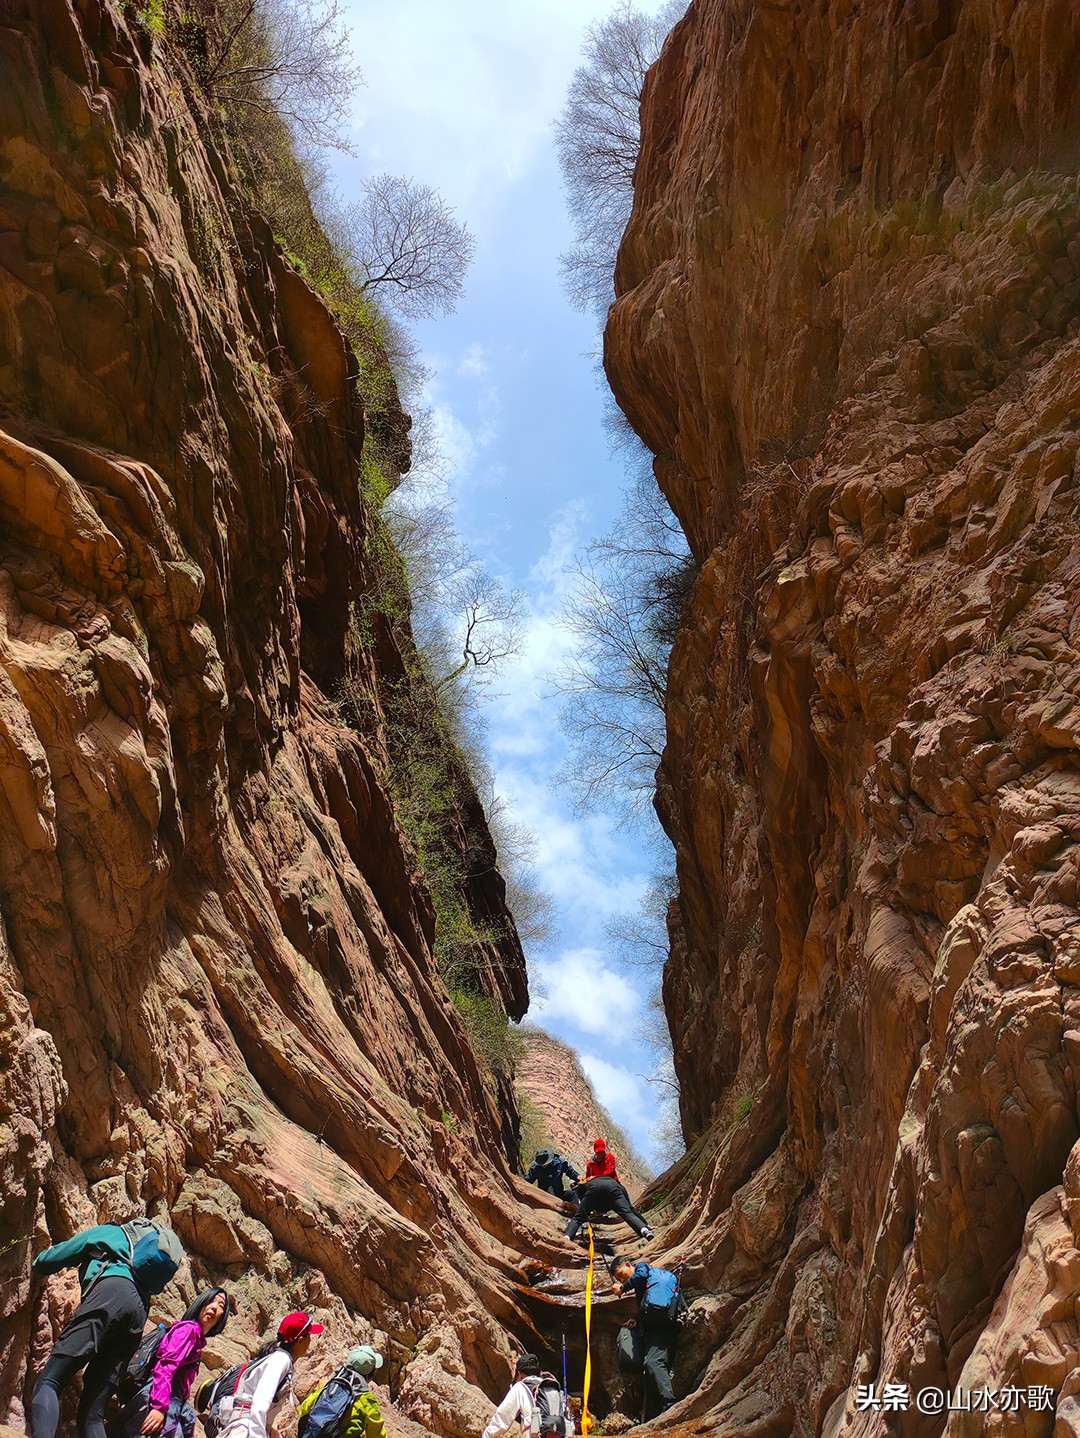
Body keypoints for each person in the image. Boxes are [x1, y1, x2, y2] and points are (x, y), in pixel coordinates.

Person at [29, 1222, 183, 1438]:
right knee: (93, 1412)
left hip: (111, 1294)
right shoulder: (141, 1268)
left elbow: (58, 1255)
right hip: (138, 1313)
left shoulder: (111, 1232)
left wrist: (35, 1264)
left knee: (51, 1380)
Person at [114, 1289, 231, 1438]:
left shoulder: (195, 1338)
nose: (214, 1307)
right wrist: (159, 1407)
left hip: (167, 1401)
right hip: (160, 1399)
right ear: (200, 1304)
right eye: (210, 1301)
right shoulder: (189, 1330)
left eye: (221, 1304)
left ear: (223, 1316)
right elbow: (165, 1366)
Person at [217, 1312, 324, 1438]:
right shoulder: (280, 1360)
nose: (310, 1340)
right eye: (309, 1336)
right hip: (245, 1429)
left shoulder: (280, 1359)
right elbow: (261, 1401)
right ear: (300, 1341)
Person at [608, 1258, 687, 1418]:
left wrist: (623, 1288)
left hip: (663, 1329)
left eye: (622, 1274)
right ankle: (654, 1414)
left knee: (653, 1362)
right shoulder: (644, 1288)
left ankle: (670, 1405)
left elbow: (641, 1275)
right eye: (619, 1279)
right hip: (656, 1329)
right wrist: (636, 1321)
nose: (623, 1279)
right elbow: (648, 1308)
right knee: (649, 1370)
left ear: (629, 1265)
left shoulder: (643, 1268)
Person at [296, 1345, 387, 1438]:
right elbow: (376, 1434)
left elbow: (303, 1409)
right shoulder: (366, 1400)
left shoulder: (330, 1388)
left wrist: (322, 1388)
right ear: (370, 1374)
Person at [563, 1178, 654, 1243]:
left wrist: (585, 1210)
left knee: (578, 1218)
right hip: (614, 1189)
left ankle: (566, 1238)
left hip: (595, 1189)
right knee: (627, 1214)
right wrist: (645, 1223)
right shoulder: (620, 1186)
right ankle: (644, 1230)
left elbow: (581, 1193)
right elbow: (630, 1208)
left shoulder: (590, 1182)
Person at [480, 1353, 542, 1438]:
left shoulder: (521, 1387)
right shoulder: (554, 1389)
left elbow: (503, 1417)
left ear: (519, 1374)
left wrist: (487, 1436)